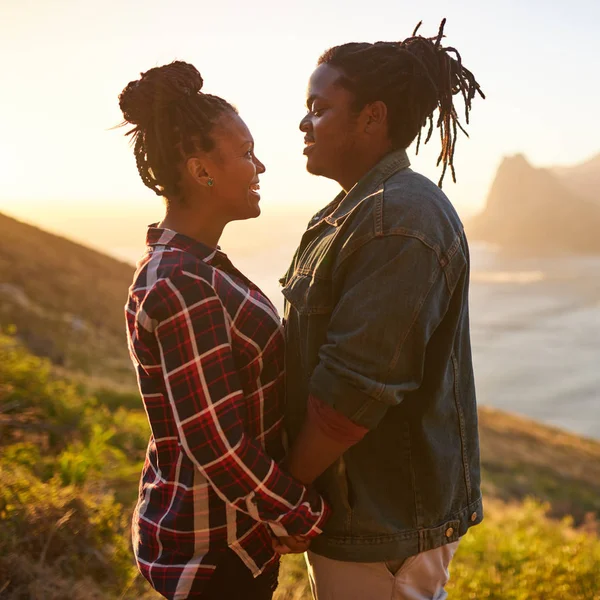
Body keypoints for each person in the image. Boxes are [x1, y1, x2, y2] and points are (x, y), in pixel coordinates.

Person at [279, 20, 485, 600]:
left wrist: (284, 494)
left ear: (371, 116)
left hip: (385, 521)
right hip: (360, 512)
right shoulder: (358, 208)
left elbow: (353, 391)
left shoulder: (400, 217)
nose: (303, 123)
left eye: (318, 108)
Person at [118, 61, 329, 600]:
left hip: (224, 540)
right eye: (244, 153)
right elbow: (217, 444)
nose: (259, 166)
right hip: (214, 558)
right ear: (200, 171)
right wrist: (298, 513)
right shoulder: (183, 282)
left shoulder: (196, 266)